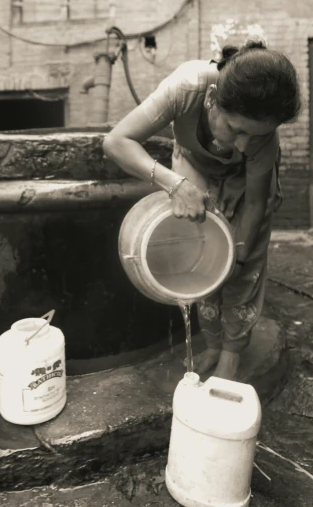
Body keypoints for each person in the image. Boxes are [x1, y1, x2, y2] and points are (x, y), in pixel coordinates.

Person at [103, 38, 301, 380]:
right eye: (237, 130)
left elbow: (255, 202)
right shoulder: (186, 88)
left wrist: (238, 255)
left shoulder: (261, 137)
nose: (243, 145)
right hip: (193, 167)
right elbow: (116, 141)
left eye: (256, 136)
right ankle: (211, 343)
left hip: (245, 184)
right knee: (201, 252)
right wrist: (175, 184)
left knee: (242, 264)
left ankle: (232, 355)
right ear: (211, 100)